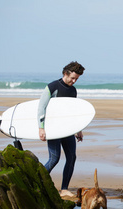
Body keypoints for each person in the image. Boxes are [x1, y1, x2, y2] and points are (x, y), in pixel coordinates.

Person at [38, 61, 85, 197]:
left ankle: (64, 189)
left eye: (77, 79)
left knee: (71, 157)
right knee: (54, 158)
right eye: (73, 78)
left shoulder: (73, 90)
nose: (74, 81)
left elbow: (73, 111)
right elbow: (41, 108)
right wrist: (41, 128)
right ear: (65, 73)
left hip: (67, 129)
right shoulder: (53, 87)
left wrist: (78, 129)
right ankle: (37, 181)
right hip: (53, 129)